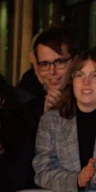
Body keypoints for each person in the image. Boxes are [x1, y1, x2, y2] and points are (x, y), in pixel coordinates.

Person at [33, 48, 96, 191]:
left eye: (94, 75)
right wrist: (77, 179)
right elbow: (42, 172)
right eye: (80, 75)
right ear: (72, 80)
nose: (86, 82)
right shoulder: (51, 121)